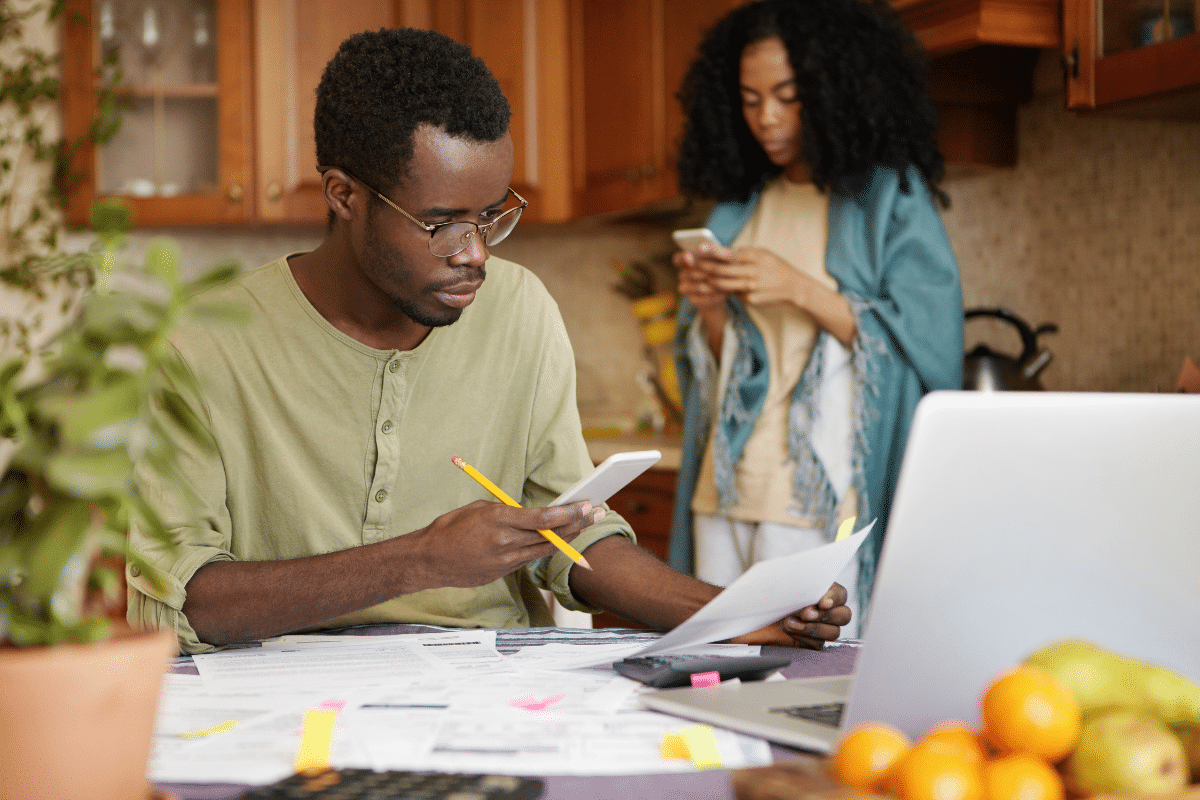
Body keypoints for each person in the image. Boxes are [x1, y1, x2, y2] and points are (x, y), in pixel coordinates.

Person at [126, 27, 851, 655]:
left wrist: (734, 616)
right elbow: (189, 599)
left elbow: (576, 537)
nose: (474, 253)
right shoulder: (203, 341)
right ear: (344, 196)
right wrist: (417, 561)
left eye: (492, 215)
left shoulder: (521, 310)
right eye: (442, 222)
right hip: (274, 696)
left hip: (488, 684)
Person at [667, 0, 964, 635]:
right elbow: (717, 373)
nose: (766, 119)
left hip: (817, 502)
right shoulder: (738, 209)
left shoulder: (884, 197)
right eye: (748, 100)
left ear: (833, 90)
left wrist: (798, 287)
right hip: (724, 492)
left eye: (787, 95)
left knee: (808, 683)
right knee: (711, 673)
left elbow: (930, 346)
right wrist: (710, 308)